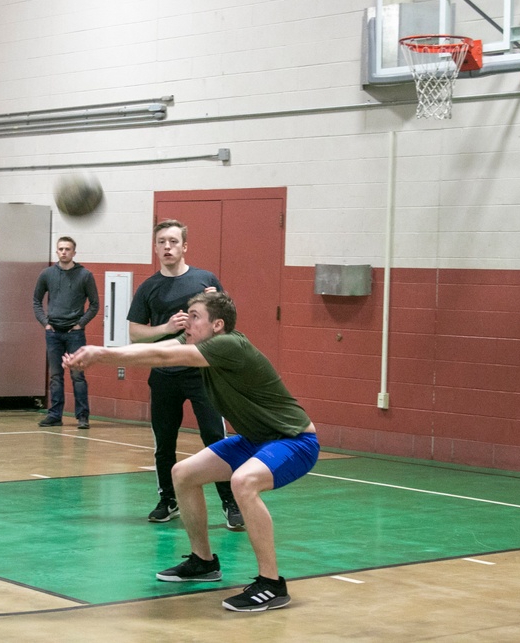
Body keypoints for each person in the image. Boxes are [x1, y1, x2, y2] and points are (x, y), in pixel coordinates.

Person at [66, 291, 318, 612]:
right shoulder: (201, 345)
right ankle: (203, 562)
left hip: (294, 440)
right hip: (255, 440)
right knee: (183, 474)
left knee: (244, 482)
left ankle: (271, 584)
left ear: (218, 325)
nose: (188, 321)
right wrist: (99, 352)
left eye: (195, 316)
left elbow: (163, 359)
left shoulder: (230, 346)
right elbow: (155, 348)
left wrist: (100, 354)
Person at [127, 219, 241, 529]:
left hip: (201, 373)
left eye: (173, 241)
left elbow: (226, 321)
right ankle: (168, 500)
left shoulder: (205, 280)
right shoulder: (148, 287)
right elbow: (135, 333)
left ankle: (230, 502)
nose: (167, 246)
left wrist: (215, 302)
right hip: (164, 374)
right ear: (155, 247)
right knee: (164, 442)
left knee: (215, 437)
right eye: (162, 241)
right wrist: (165, 328)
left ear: (184, 246)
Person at [33, 236, 99, 429]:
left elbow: (95, 304)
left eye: (67, 249)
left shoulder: (85, 275)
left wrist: (80, 324)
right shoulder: (47, 274)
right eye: (60, 249)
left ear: (74, 252)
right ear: (57, 251)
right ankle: (55, 415)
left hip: (74, 333)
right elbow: (36, 300)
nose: (64, 252)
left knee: (77, 375)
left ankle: (82, 417)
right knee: (55, 375)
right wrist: (45, 323)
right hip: (53, 332)